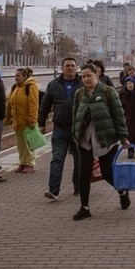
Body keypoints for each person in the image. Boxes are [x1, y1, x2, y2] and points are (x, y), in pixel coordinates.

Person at [72, 63, 131, 221]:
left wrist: (123, 137)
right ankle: (84, 208)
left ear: (96, 75)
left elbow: (118, 115)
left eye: (89, 76)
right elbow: (75, 115)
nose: (85, 79)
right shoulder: (79, 94)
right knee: (83, 173)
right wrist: (75, 133)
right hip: (85, 139)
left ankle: (122, 191)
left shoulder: (108, 91)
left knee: (107, 173)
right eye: (83, 77)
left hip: (106, 138)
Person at [39, 57, 83, 200]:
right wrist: (41, 123)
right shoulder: (53, 85)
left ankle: (79, 187)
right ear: (62, 68)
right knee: (57, 159)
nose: (70, 68)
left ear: (76, 68)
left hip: (78, 129)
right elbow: (45, 105)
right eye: (67, 66)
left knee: (79, 160)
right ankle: (54, 189)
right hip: (60, 129)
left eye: (72, 66)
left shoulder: (83, 83)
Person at [4, 67, 39, 174]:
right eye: (15, 76)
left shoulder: (31, 87)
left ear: (25, 77)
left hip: (27, 121)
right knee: (20, 144)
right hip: (17, 121)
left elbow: (33, 104)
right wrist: (8, 118)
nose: (16, 78)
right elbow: (9, 104)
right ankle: (23, 162)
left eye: (18, 76)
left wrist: (32, 119)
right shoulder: (15, 87)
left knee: (28, 144)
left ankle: (30, 163)